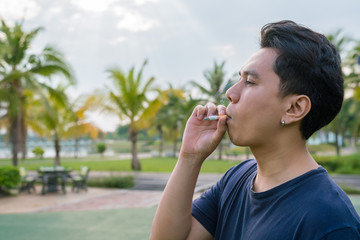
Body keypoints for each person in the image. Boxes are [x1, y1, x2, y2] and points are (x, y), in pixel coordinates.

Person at [150, 20, 360, 240]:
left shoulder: (331, 222)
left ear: (294, 108)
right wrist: (189, 156)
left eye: (249, 82)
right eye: (238, 79)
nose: (231, 93)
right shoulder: (237, 178)